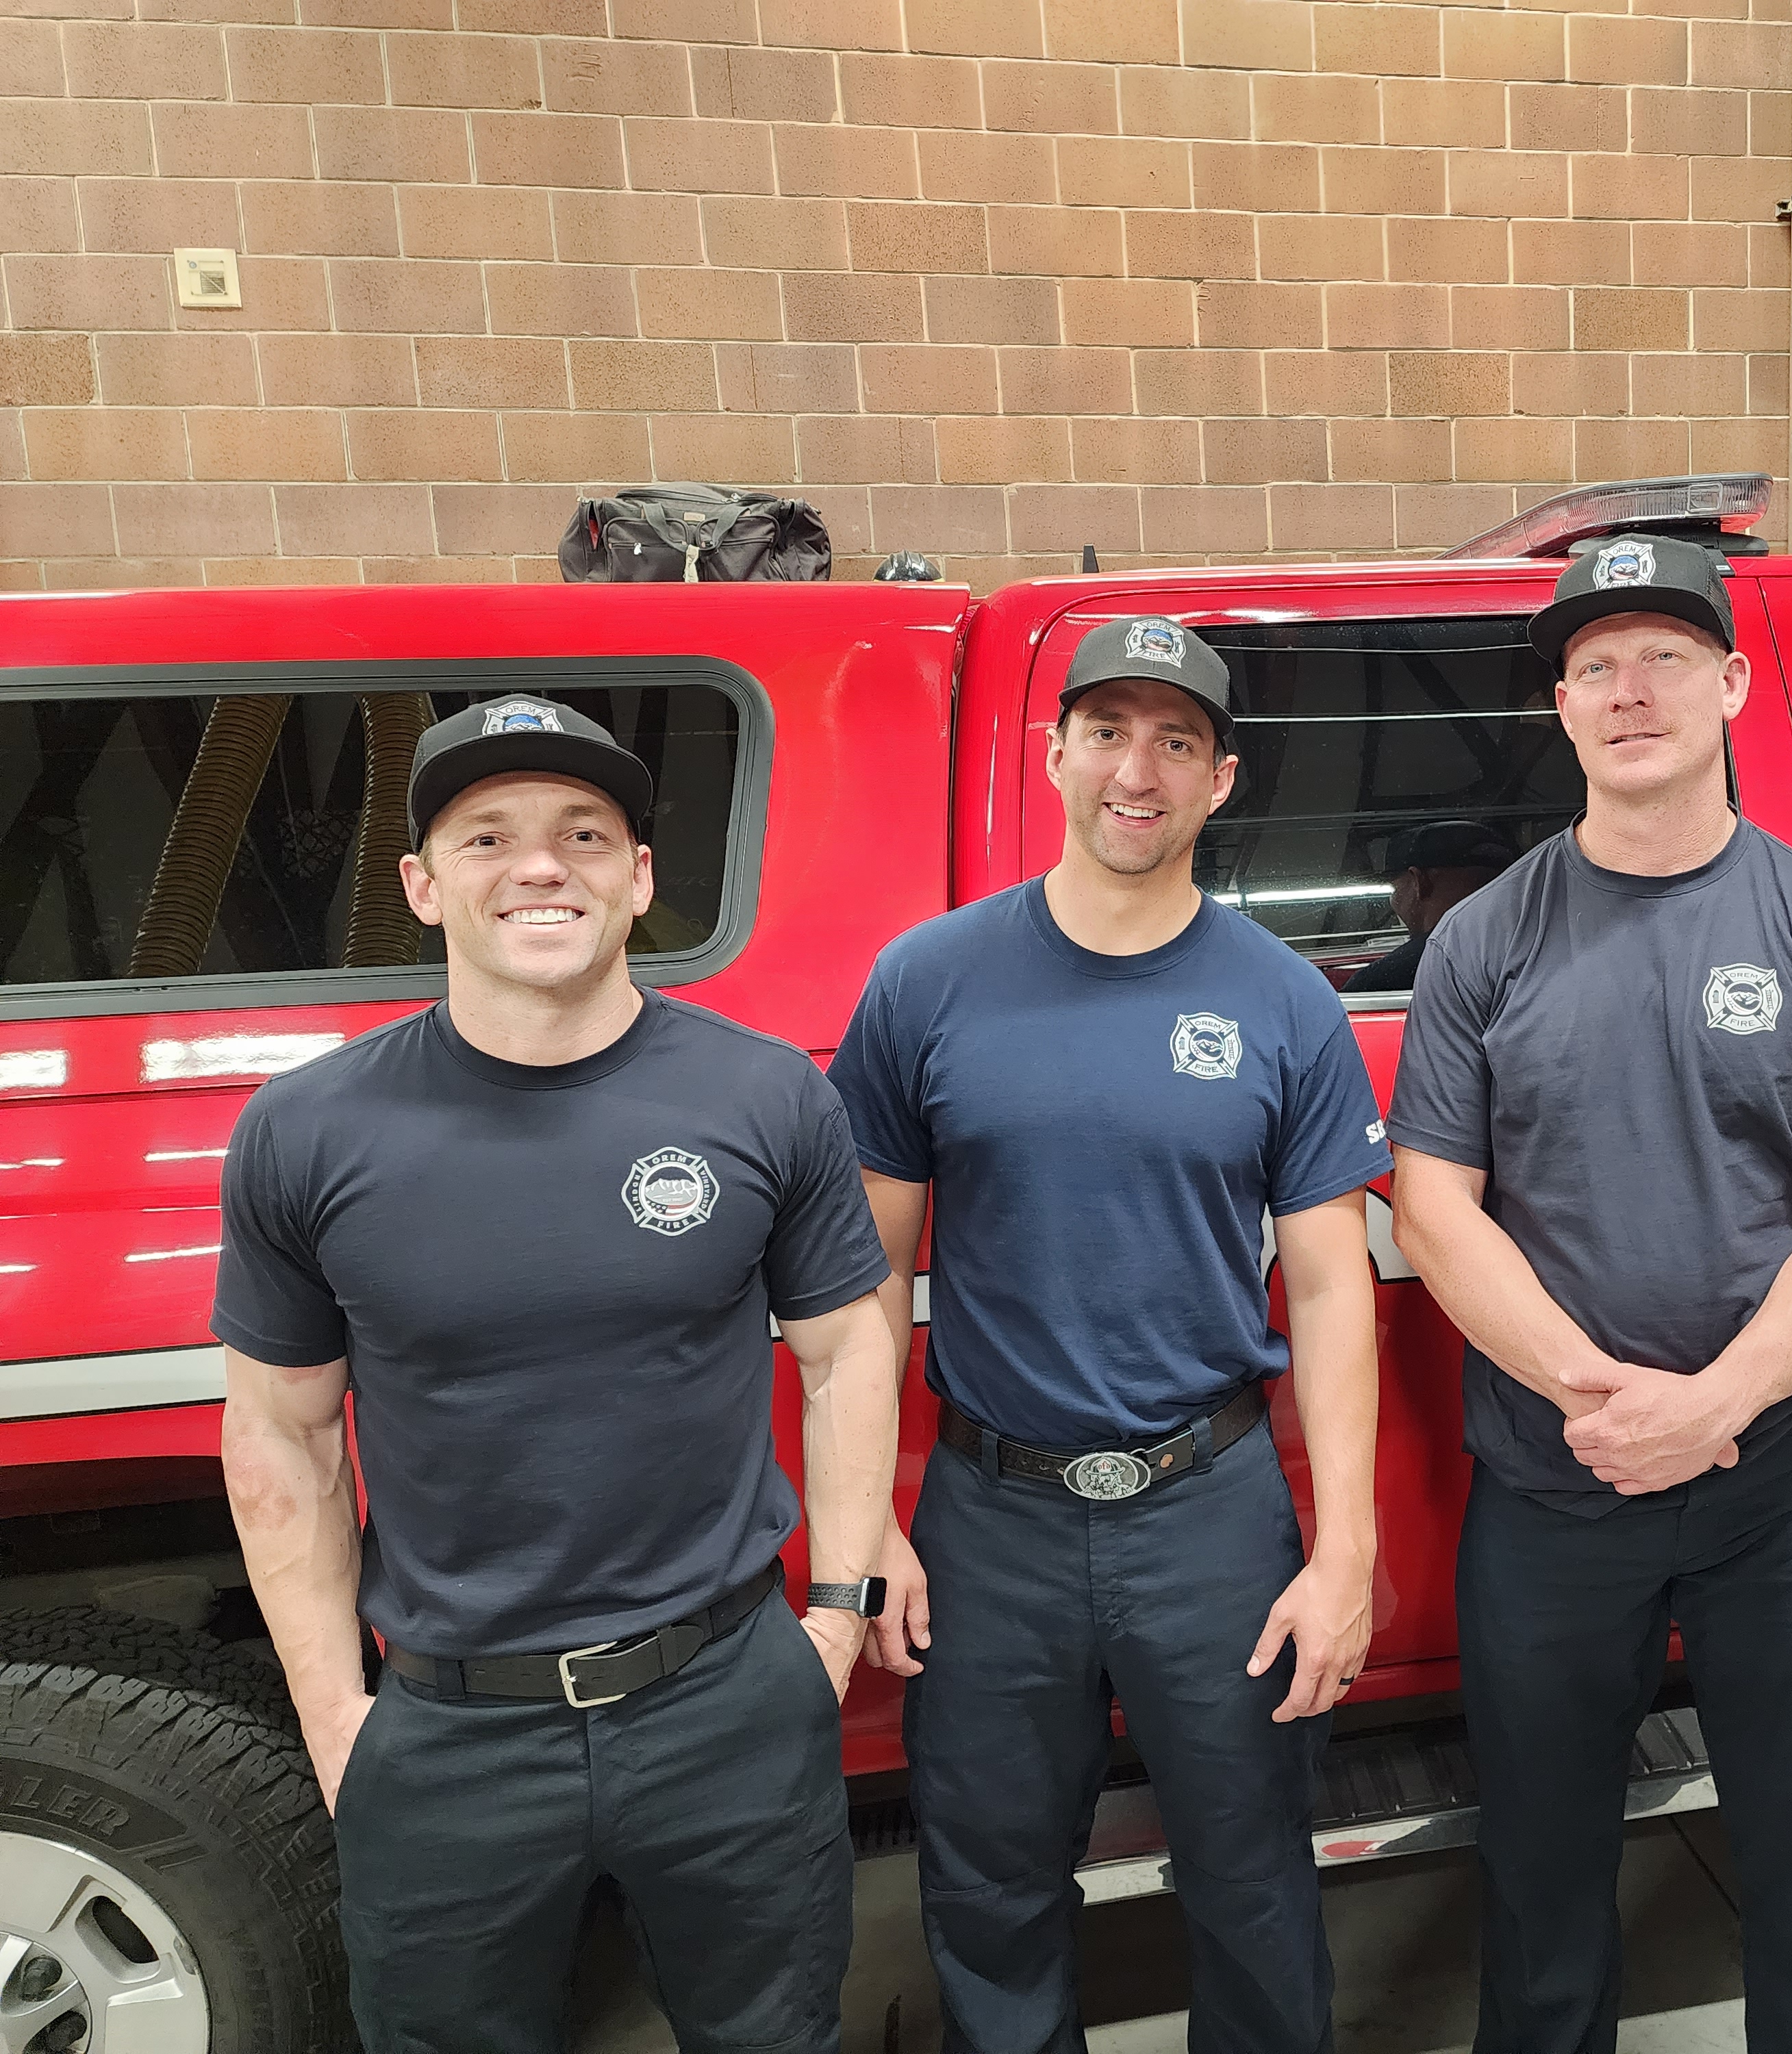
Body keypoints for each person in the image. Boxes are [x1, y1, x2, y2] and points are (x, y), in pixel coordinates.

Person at [215, 694, 902, 2054]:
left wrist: (837, 1610)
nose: (543, 866)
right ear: (421, 885)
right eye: (488, 838)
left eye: (586, 833)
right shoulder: (306, 1133)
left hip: (727, 1699)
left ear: (640, 877)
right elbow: (282, 1435)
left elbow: (847, 1350)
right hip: (448, 1730)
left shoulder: (764, 1099)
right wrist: (335, 1716)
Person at [1387, 536, 1792, 2054]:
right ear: (1560, 710)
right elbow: (1435, 1212)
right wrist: (1603, 1404)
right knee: (1540, 1876)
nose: (1625, 689)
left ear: (1728, 684)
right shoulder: (1481, 942)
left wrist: (1713, 1406)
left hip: (1778, 1490)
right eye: (1590, 667)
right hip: (1554, 1488)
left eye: (1657, 656)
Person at [831, 616, 1390, 2054]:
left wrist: (1342, 1552)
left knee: (1251, 1878)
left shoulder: (1280, 999)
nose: (1135, 771)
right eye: (1107, 733)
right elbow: (860, 1289)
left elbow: (1330, 1285)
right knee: (989, 1883)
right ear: (1054, 753)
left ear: (1221, 779)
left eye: (1176, 741)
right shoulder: (926, 982)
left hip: (1208, 1514)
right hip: (989, 1517)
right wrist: (869, 1529)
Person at [1344, 818, 1517, 995]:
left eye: (1395, 888)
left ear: (1420, 882)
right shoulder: (1529, 949)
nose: (1394, 899)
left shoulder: (1382, 980)